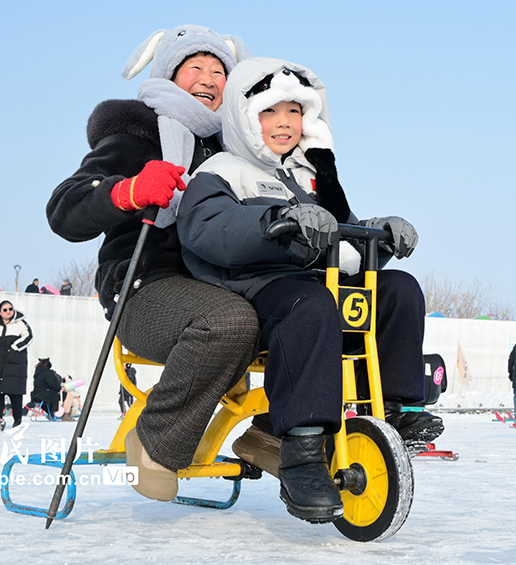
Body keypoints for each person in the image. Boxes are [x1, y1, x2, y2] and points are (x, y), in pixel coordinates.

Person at [178, 57, 439, 524]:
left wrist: (379, 233)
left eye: (294, 112)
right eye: (269, 112)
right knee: (310, 304)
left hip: (317, 282)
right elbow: (207, 230)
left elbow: (345, 236)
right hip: (257, 288)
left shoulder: (308, 176)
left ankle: (400, 410)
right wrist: (272, 222)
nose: (284, 123)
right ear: (243, 116)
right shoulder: (222, 170)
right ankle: (299, 451)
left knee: (398, 289)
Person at [47, 25, 260, 503]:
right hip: (147, 284)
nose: (208, 79)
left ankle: (275, 434)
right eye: (196, 68)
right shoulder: (137, 135)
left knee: (309, 307)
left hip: (225, 282)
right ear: (171, 73)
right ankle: (157, 440)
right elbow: (64, 208)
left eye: (218, 71)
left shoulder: (243, 145)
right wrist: (127, 191)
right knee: (227, 321)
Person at [0, 300, 33, 428]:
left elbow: (29, 337)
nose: (8, 311)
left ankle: (17, 419)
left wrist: (14, 347)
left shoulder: (21, 323)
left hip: (16, 366)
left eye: (10, 309)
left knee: (15, 394)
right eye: (5, 309)